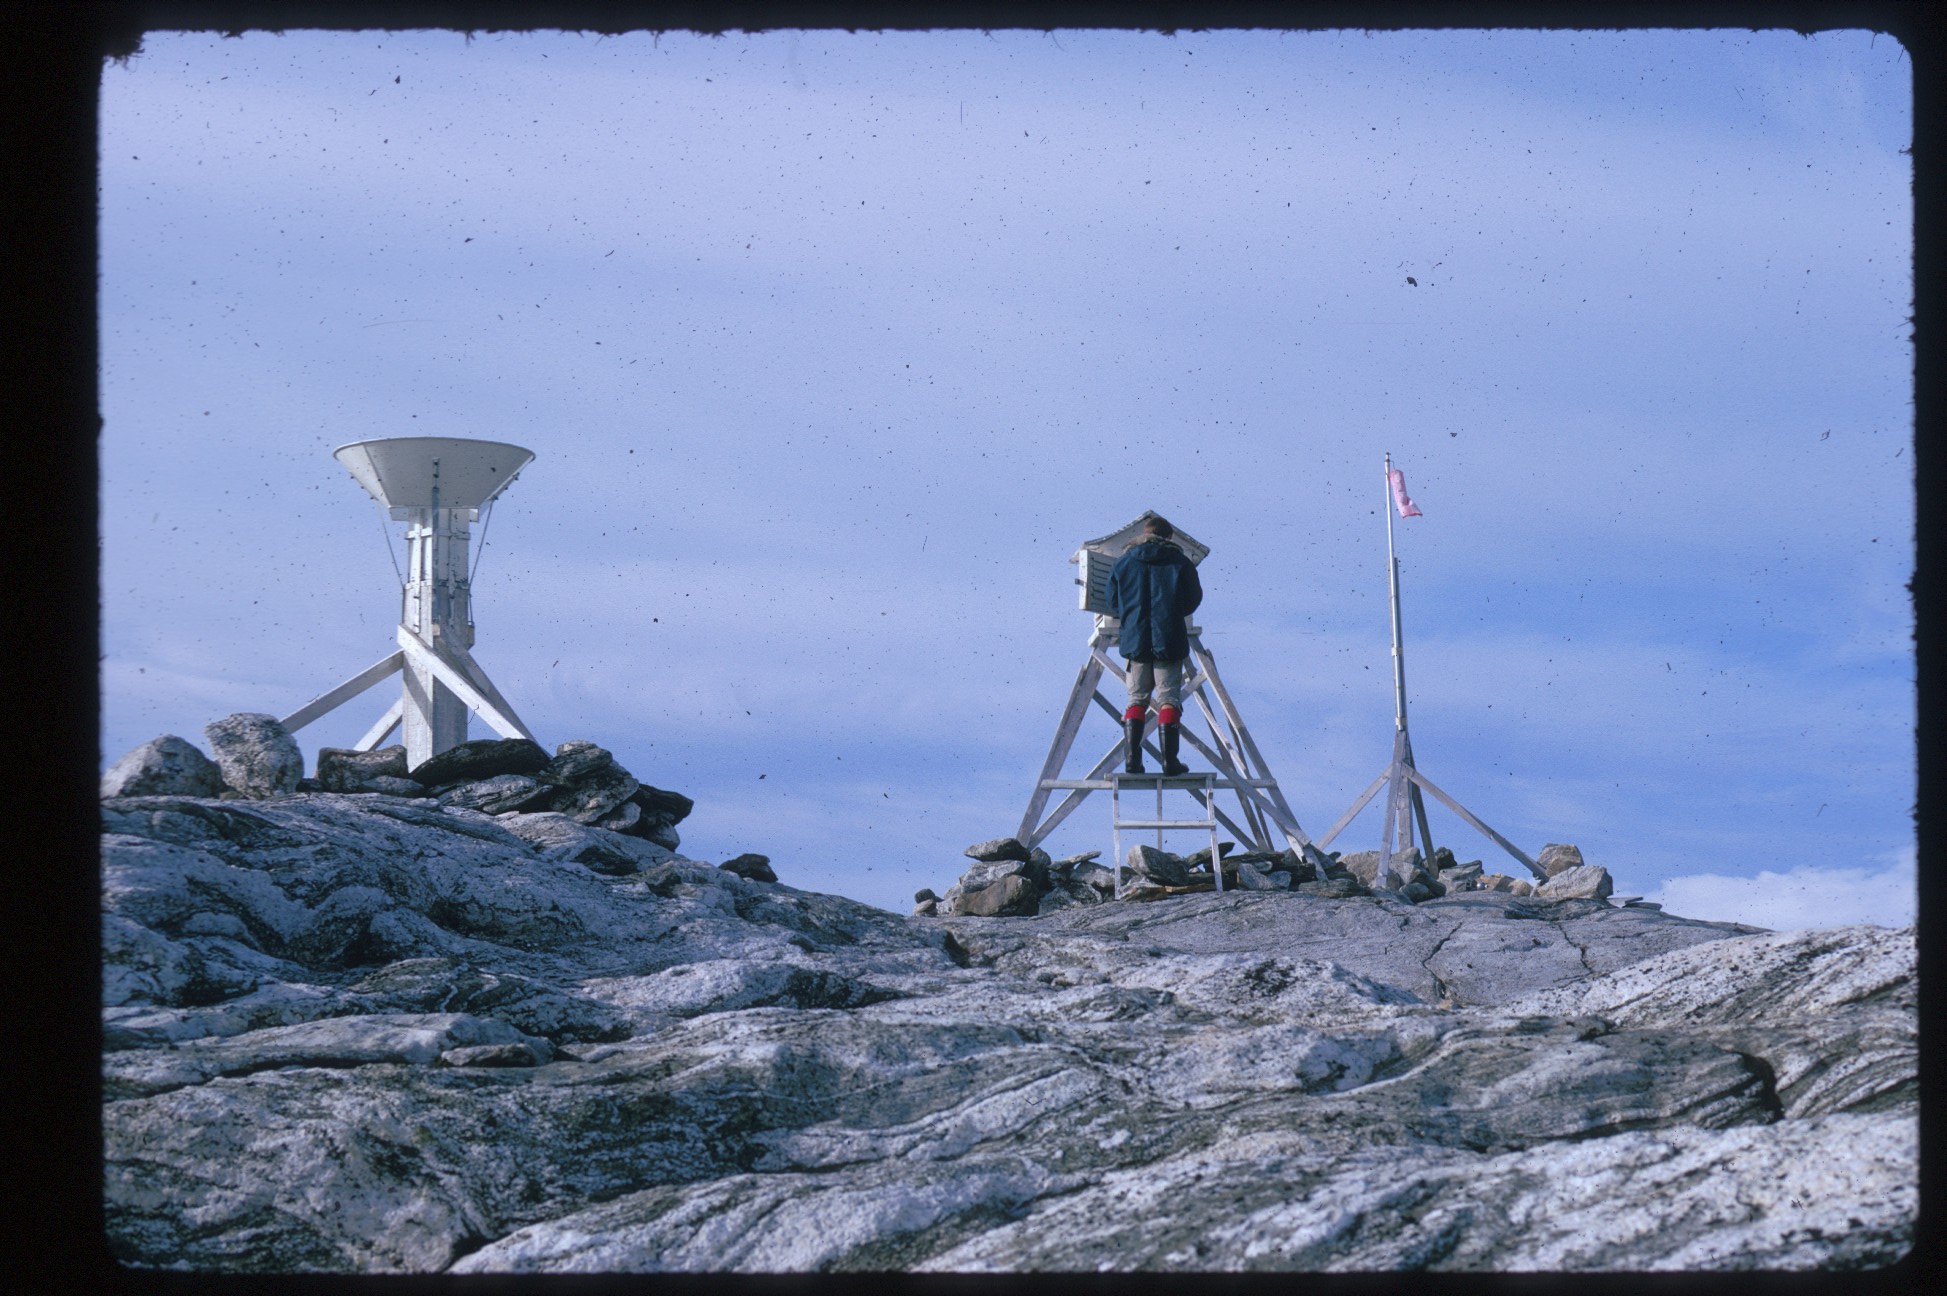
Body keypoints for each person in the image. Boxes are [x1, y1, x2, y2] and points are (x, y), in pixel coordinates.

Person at [1105, 515, 1202, 775]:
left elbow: (1112, 601)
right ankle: (1170, 762)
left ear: (1144, 534)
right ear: (1168, 537)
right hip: (1169, 639)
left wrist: (1131, 617)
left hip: (1135, 640)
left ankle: (1132, 761)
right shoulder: (1180, 562)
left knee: (1136, 699)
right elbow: (1193, 600)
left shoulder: (1123, 562)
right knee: (1168, 699)